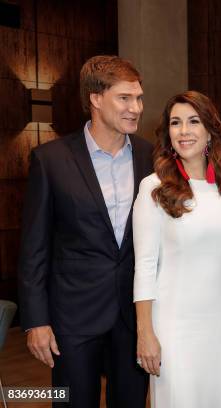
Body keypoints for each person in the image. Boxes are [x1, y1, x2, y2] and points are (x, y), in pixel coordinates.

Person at [18, 55, 151, 407]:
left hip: (133, 315)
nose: (135, 108)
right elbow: (34, 248)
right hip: (73, 317)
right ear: (95, 98)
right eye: (125, 98)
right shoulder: (51, 160)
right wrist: (35, 321)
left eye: (139, 98)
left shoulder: (150, 157)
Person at [132, 91, 221, 407]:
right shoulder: (154, 187)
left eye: (193, 121)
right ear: (167, 133)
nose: (184, 131)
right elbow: (144, 265)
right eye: (175, 123)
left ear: (210, 130)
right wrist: (146, 333)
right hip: (174, 327)